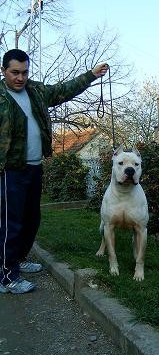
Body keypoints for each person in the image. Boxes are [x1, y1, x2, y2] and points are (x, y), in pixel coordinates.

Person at [0, 49, 108, 294]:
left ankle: (18, 259)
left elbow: (64, 89)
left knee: (31, 219)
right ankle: (7, 277)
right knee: (10, 224)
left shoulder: (36, 91)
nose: (20, 78)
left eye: (24, 72)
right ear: (3, 70)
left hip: (34, 166)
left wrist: (91, 75)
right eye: (15, 72)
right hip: (10, 170)